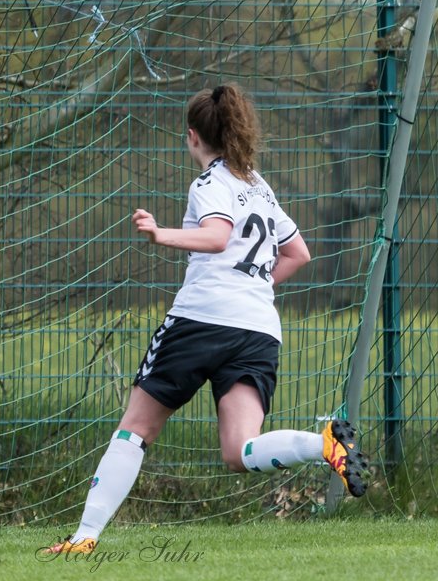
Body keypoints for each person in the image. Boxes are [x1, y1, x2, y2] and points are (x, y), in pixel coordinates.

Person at [47, 83, 370, 556]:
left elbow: (217, 238)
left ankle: (84, 538)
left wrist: (161, 234)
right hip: (258, 327)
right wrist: (254, 287)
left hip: (202, 319)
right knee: (240, 451)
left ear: (193, 136)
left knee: (134, 429)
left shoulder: (211, 183)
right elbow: (298, 252)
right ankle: (322, 443)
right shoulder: (259, 186)